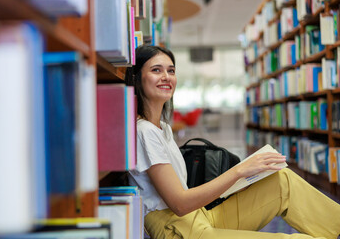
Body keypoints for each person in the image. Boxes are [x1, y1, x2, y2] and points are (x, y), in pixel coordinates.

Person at [125, 45, 340, 239]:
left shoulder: (162, 128)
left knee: (282, 181)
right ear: (138, 78)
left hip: (200, 217)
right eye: (156, 70)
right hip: (179, 232)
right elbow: (179, 204)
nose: (166, 77)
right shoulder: (144, 131)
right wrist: (240, 171)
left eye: (171, 70)